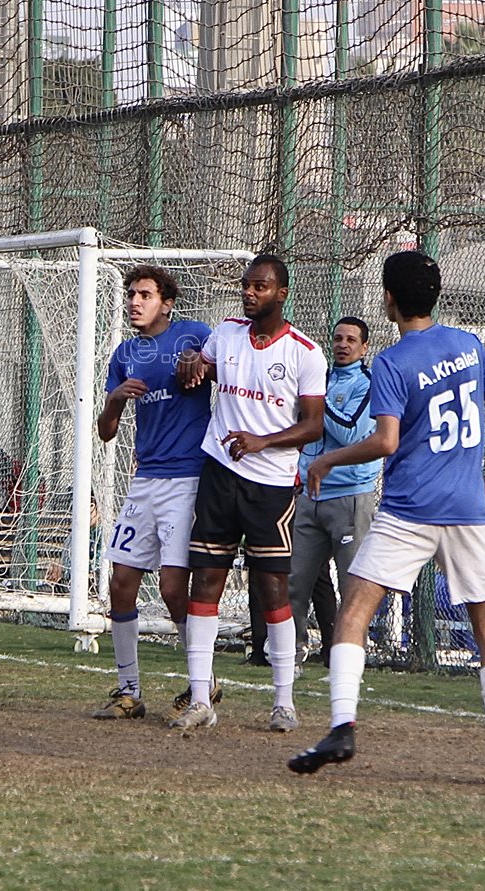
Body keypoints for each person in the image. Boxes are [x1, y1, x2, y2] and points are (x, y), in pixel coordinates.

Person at [289, 250, 485, 783]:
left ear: (389, 298)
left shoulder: (393, 362)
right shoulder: (469, 345)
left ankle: (342, 726)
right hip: (466, 510)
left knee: (355, 610)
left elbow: (386, 441)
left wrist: (327, 458)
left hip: (409, 509)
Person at [168, 254, 326, 733]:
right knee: (205, 581)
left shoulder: (305, 352)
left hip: (271, 485)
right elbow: (201, 368)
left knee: (272, 588)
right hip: (219, 474)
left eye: (260, 286)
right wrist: (192, 365)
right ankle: (200, 698)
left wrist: (263, 441)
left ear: (282, 293)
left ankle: (284, 701)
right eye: (246, 285)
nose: (250, 293)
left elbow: (313, 426)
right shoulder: (227, 332)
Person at [90, 266, 213, 720]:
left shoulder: (194, 335)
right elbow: (106, 432)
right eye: (131, 294)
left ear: (167, 302)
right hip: (145, 481)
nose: (134, 302)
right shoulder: (125, 354)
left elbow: (226, 373)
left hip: (188, 479)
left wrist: (201, 363)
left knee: (172, 587)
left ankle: (203, 682)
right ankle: (129, 691)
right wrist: (116, 398)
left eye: (144, 294)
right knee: (120, 583)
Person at [288, 316, 378, 668]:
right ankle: (291, 650)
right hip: (309, 496)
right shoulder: (320, 379)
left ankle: (348, 656)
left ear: (364, 347)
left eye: (351, 340)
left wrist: (317, 400)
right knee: (294, 579)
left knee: (351, 584)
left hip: (350, 497)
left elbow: (351, 432)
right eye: (338, 338)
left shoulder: (368, 384)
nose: (343, 345)